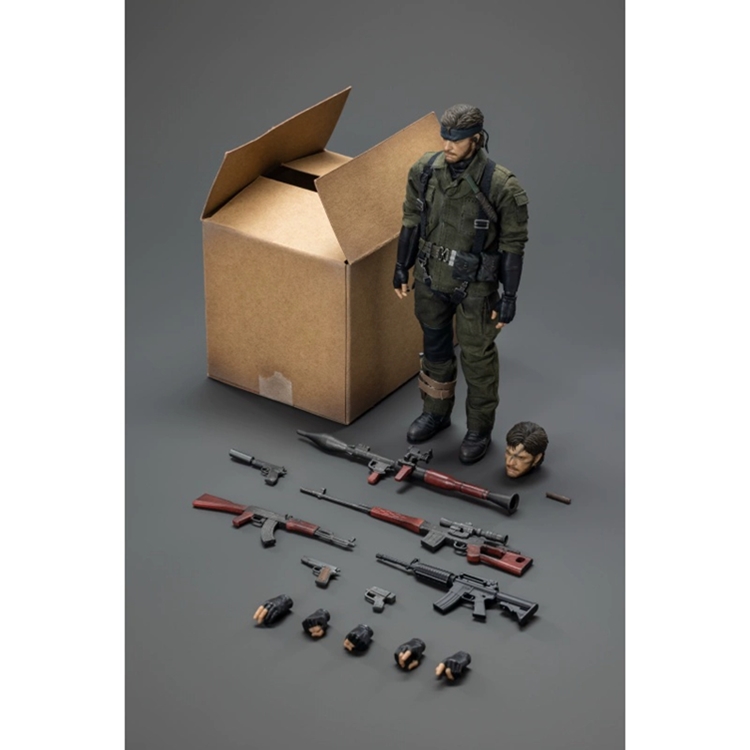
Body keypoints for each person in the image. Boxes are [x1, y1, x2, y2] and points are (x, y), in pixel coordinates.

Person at [393, 104, 529, 464]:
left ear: (477, 139)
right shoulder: (424, 170)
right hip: (429, 278)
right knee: (435, 349)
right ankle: (435, 412)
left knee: (477, 358)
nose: (447, 146)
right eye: (445, 137)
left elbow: (513, 246)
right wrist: (401, 266)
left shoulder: (501, 185)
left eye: (457, 140)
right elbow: (410, 221)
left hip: (476, 288)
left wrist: (510, 296)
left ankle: (479, 429)